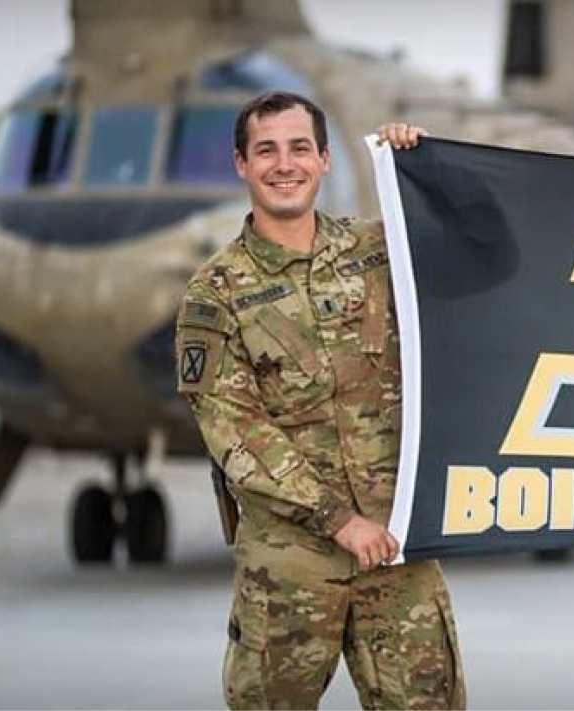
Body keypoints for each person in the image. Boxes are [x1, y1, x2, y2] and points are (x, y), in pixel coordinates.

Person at [175, 91, 462, 710]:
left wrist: (424, 170)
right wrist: (339, 520)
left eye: (300, 147)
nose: (285, 164)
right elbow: (234, 431)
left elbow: (489, 258)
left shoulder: (380, 253)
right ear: (241, 165)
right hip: (291, 566)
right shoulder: (216, 292)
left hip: (398, 550)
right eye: (266, 150)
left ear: (325, 160)